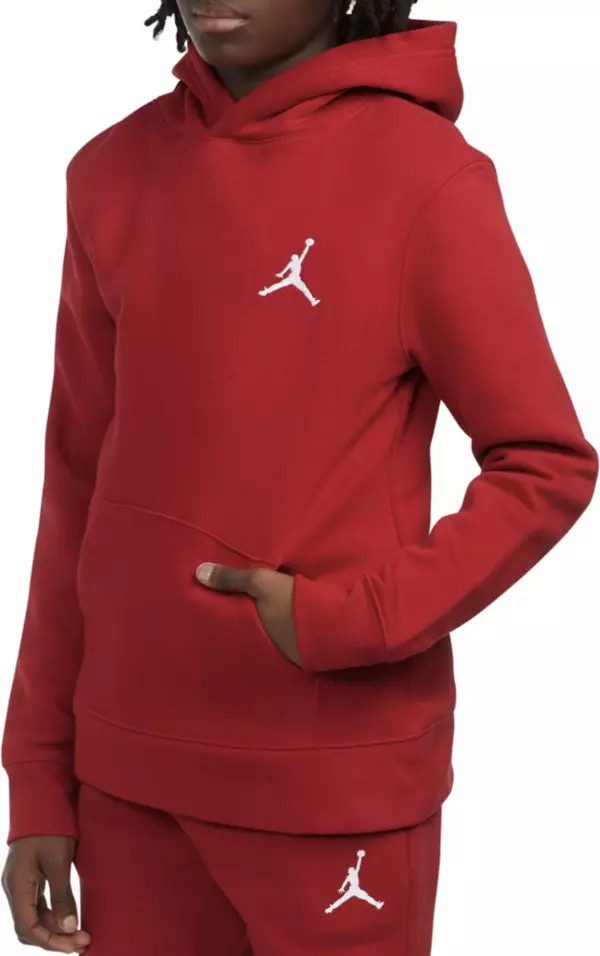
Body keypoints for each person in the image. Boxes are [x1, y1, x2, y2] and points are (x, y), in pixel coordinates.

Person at [1, 1, 598, 953]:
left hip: (332, 783)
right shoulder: (110, 172)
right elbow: (75, 481)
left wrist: (353, 616)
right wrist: (38, 775)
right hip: (127, 778)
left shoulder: (425, 177)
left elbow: (545, 464)